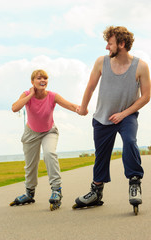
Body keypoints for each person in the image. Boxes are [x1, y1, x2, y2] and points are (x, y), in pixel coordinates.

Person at [73, 26, 151, 210]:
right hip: (102, 117)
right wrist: (83, 107)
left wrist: (124, 114)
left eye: (110, 44)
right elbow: (91, 87)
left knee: (130, 142)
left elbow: (146, 96)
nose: (107, 47)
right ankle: (96, 191)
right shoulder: (102, 62)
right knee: (101, 155)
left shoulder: (140, 66)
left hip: (127, 116)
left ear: (121, 44)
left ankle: (134, 183)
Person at [10, 69, 78, 210]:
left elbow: (70, 105)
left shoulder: (52, 96)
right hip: (31, 133)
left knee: (49, 154)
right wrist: (31, 96)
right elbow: (15, 108)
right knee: (30, 164)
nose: (43, 80)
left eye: (45, 78)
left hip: (49, 131)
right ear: (32, 82)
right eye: (39, 78)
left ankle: (56, 190)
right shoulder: (26, 94)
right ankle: (29, 192)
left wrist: (81, 109)